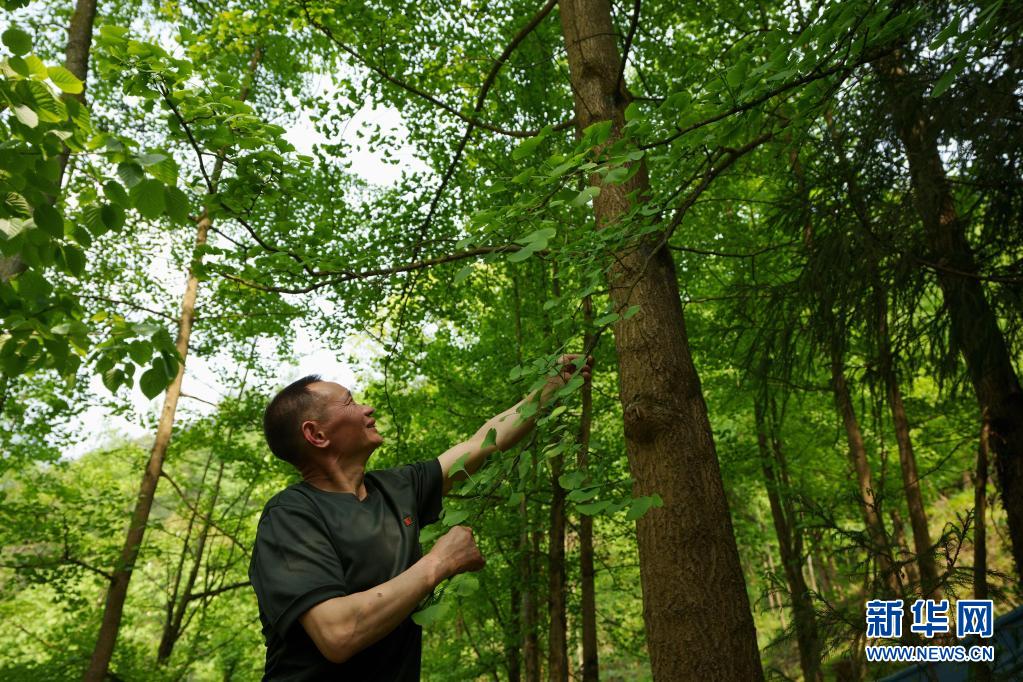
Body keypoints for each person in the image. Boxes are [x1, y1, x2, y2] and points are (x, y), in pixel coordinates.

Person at [249, 354, 592, 681]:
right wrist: (439, 562)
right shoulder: (289, 517)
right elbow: (338, 633)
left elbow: (483, 443)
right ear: (317, 435)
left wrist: (550, 386)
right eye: (350, 402)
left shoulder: (398, 488)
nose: (367, 408)